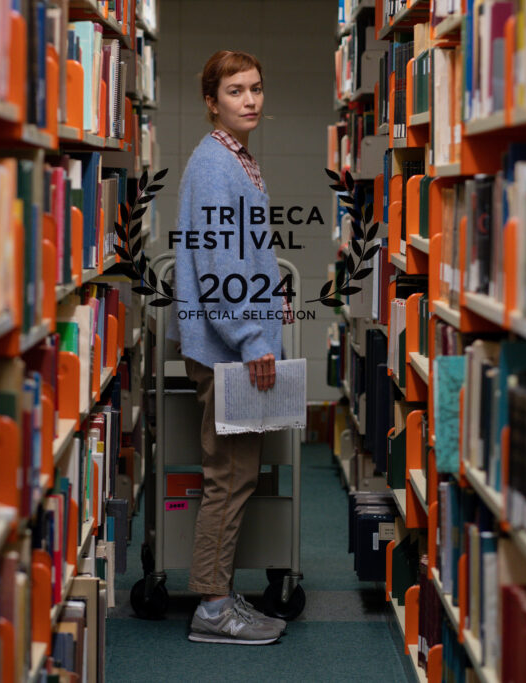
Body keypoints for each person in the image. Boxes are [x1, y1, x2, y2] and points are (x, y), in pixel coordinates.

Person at [169, 50, 289, 645]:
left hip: (231, 343)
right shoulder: (217, 166)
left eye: (257, 88)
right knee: (231, 475)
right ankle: (213, 607)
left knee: (237, 474)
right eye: (236, 90)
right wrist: (250, 335)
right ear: (212, 101)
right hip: (227, 349)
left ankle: (219, 593)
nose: (251, 100)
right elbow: (219, 266)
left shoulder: (232, 160)